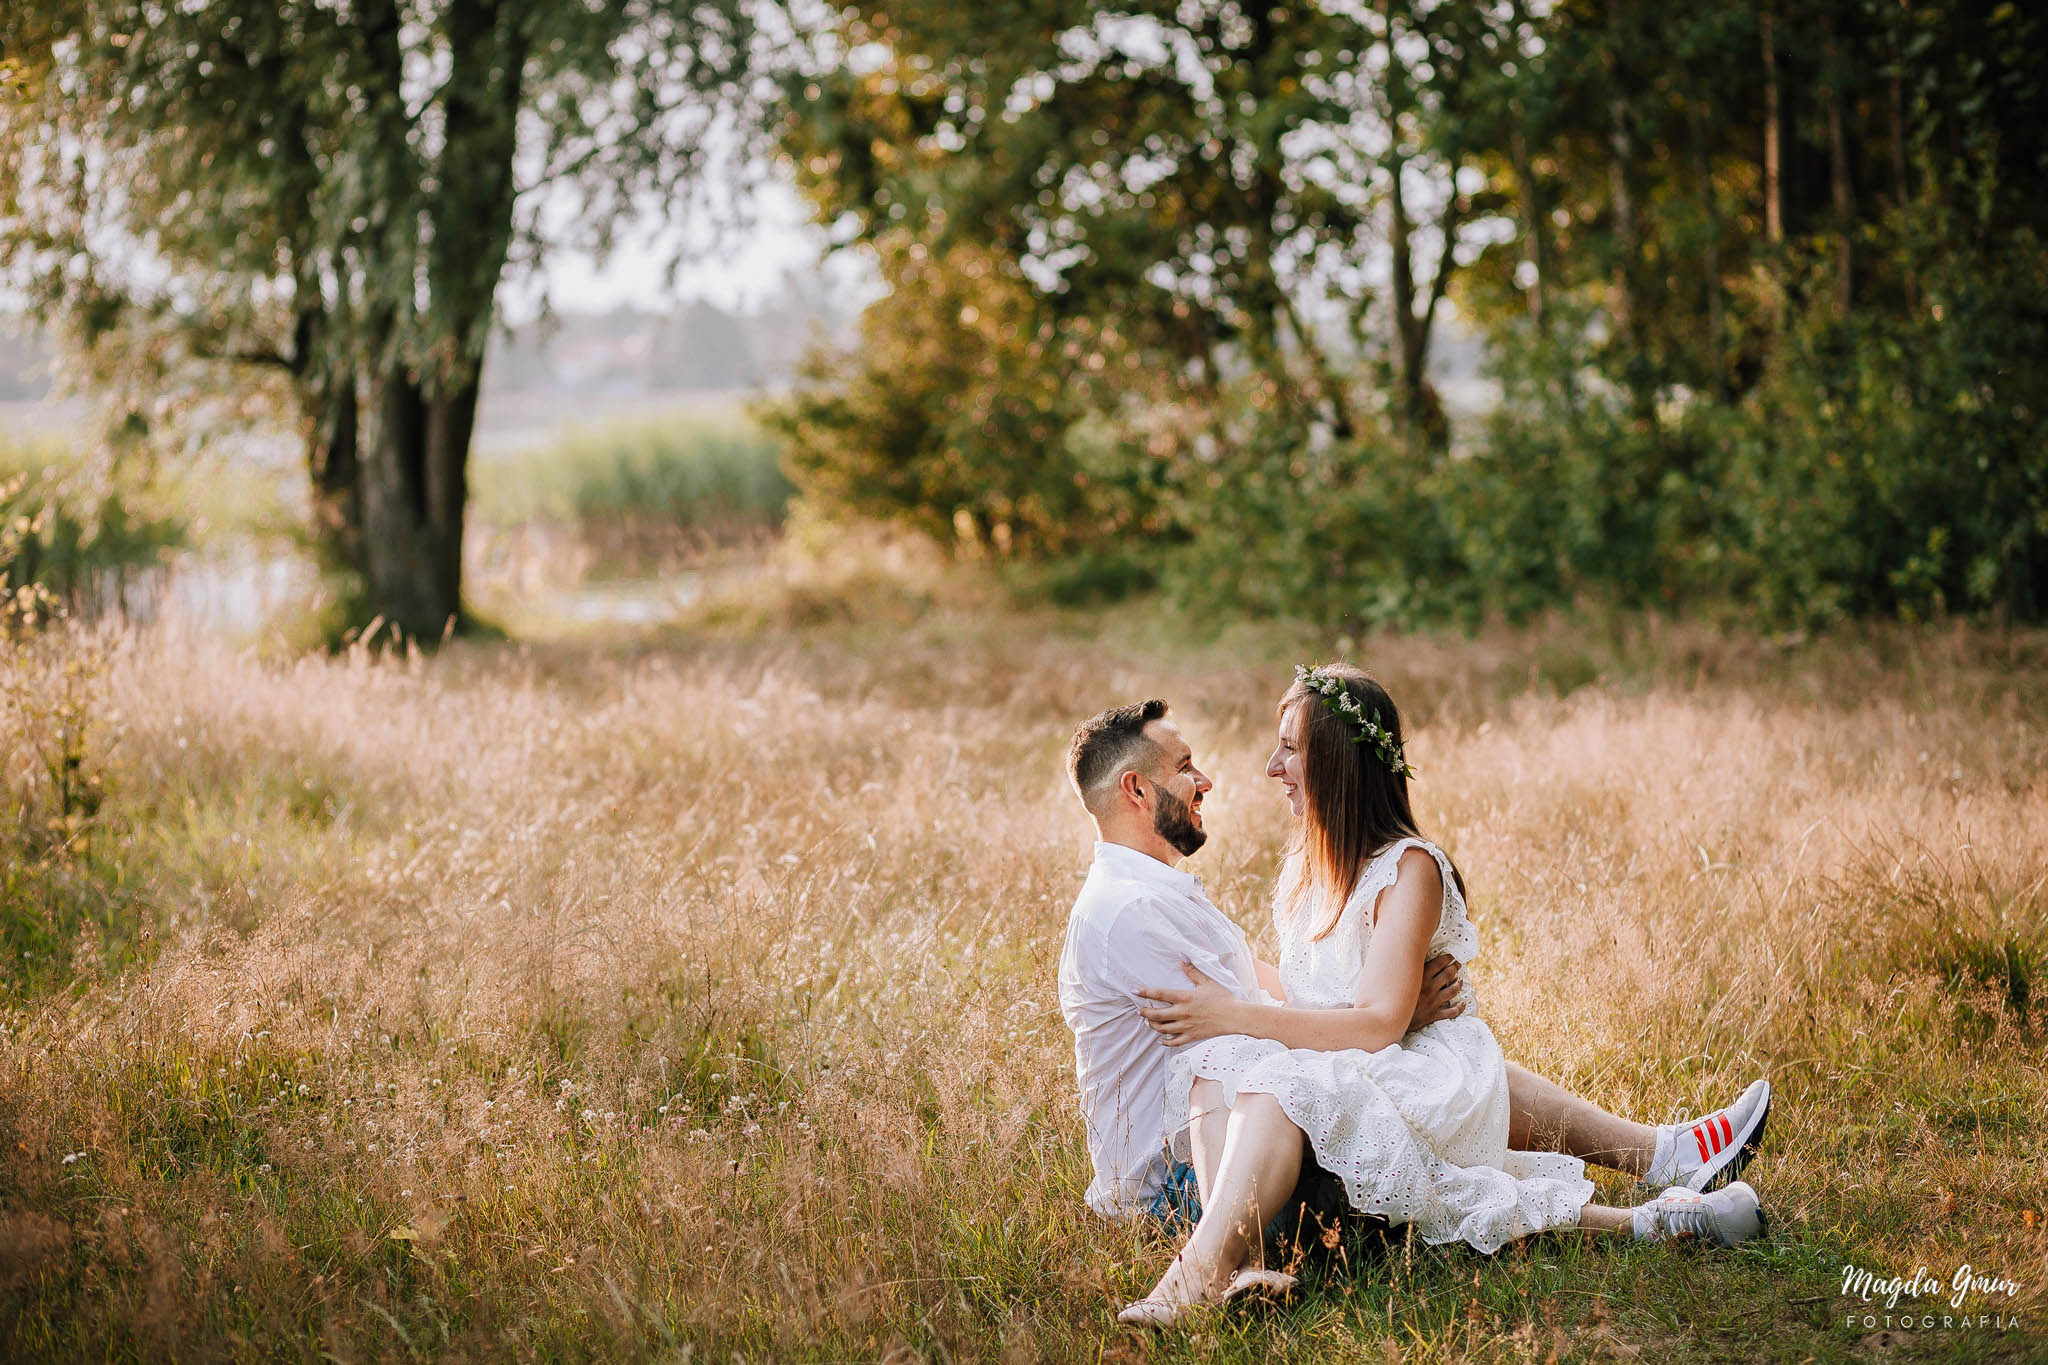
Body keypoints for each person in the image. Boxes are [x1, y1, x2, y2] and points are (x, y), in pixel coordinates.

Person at [1053, 689, 1771, 1326]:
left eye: (1289, 750)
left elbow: (1256, 999)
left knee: (1425, 1069)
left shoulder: (1164, 891)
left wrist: (1385, 1017)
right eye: (1185, 766)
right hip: (1196, 1184)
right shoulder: (1133, 910)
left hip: (1237, 1150)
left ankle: (1668, 1169)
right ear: (1138, 790)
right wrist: (1382, 1019)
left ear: (1335, 764)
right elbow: (1238, 1031)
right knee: (1325, 1083)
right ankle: (1211, 1271)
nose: (1229, 774)